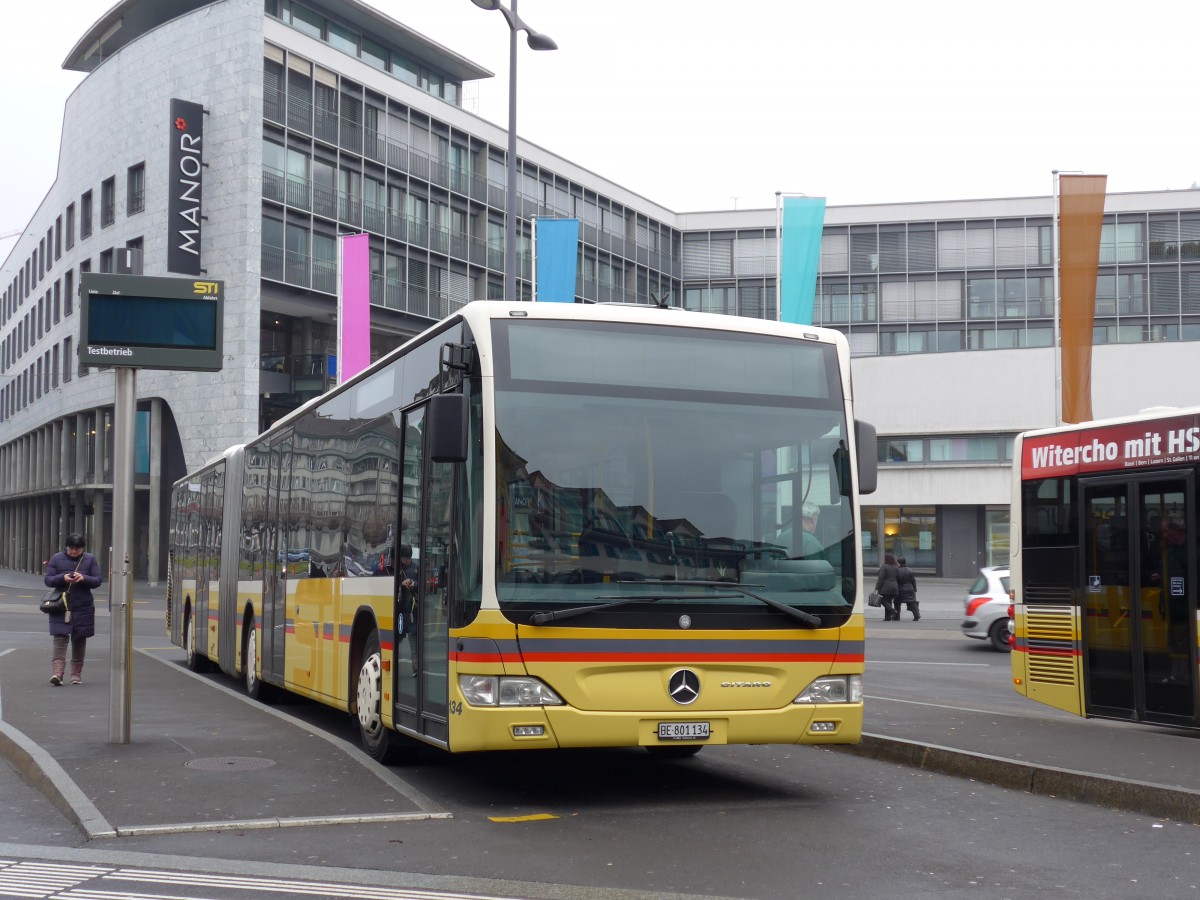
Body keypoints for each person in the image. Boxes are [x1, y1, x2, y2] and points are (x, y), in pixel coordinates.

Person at [43, 532, 102, 686]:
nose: (74, 551)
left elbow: (97, 580)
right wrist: (62, 578)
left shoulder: (90, 559)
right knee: (59, 637)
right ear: (66, 547)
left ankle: (76, 674)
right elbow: (48, 580)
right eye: (71, 548)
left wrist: (84, 578)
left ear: (83, 548)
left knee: (79, 638)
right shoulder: (56, 558)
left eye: (78, 548)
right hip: (61, 604)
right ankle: (57, 673)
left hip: (83, 605)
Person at [874, 551, 901, 621]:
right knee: (888, 601)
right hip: (894, 587)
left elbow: (881, 578)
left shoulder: (884, 566)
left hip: (885, 587)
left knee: (883, 600)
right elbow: (899, 577)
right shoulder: (896, 567)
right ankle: (887, 617)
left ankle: (892, 610)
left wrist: (877, 588)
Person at [896, 555, 920, 621]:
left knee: (897, 603)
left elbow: (897, 580)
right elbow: (913, 580)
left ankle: (896, 617)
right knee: (912, 602)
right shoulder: (910, 570)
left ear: (899, 563)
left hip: (900, 589)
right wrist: (914, 589)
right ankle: (917, 615)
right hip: (910, 588)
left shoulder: (897, 570)